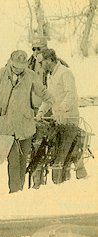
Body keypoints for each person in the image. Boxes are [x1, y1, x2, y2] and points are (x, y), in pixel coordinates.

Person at [0, 50, 53, 193]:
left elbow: (47, 96)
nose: (19, 70)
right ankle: (13, 193)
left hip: (25, 127)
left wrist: (41, 110)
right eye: (16, 67)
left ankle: (18, 193)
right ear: (10, 63)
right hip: (5, 128)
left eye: (22, 67)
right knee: (12, 162)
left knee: (22, 163)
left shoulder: (31, 76)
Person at [35, 48, 87, 183]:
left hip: (69, 118)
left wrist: (61, 110)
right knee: (55, 146)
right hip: (58, 118)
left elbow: (71, 95)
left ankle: (74, 174)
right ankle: (63, 177)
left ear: (49, 60)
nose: (40, 66)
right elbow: (49, 98)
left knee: (67, 148)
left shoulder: (65, 73)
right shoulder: (50, 75)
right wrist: (41, 111)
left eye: (41, 63)